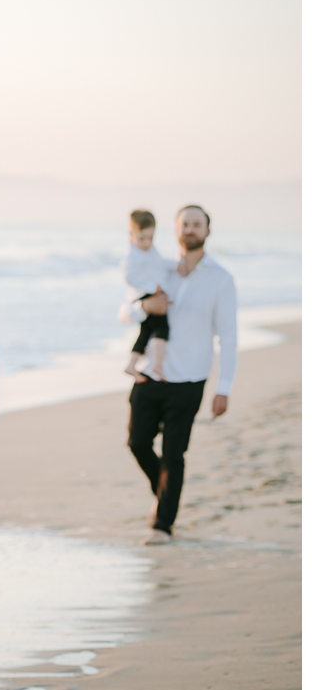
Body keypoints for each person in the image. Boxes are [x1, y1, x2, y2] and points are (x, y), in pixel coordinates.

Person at [120, 204, 237, 546]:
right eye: (184, 223)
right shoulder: (158, 268)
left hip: (190, 380)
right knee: (137, 443)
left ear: (207, 231)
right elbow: (125, 311)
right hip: (149, 376)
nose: (190, 229)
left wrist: (224, 388)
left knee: (173, 453)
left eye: (196, 224)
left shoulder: (221, 279)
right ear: (175, 230)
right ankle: (165, 493)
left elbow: (228, 337)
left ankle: (163, 525)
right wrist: (144, 307)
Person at [123, 209, 186, 379]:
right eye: (141, 238)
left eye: (150, 238)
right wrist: (153, 288)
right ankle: (157, 365)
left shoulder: (150, 250)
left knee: (145, 333)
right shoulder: (133, 256)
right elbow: (129, 277)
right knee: (161, 329)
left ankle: (131, 365)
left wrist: (175, 265)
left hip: (151, 295)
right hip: (147, 296)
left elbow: (160, 263)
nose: (146, 243)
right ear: (131, 235)